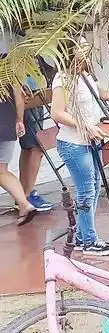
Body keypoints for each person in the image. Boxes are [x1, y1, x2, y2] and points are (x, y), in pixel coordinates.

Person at [51, 41, 109, 256]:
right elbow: (57, 113)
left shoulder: (86, 76)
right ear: (70, 51)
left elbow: (101, 94)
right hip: (74, 144)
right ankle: (89, 241)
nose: (87, 49)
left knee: (95, 187)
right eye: (81, 46)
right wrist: (85, 126)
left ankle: (82, 236)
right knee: (86, 191)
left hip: (91, 141)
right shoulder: (63, 78)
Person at [0, 82, 38, 226]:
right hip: (6, 124)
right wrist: (19, 120)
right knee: (2, 171)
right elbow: (19, 94)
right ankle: (24, 204)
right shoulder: (9, 63)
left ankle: (24, 204)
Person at [19, 66, 54, 212]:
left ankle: (22, 193)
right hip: (27, 89)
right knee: (36, 146)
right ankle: (26, 195)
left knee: (28, 146)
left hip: (33, 87)